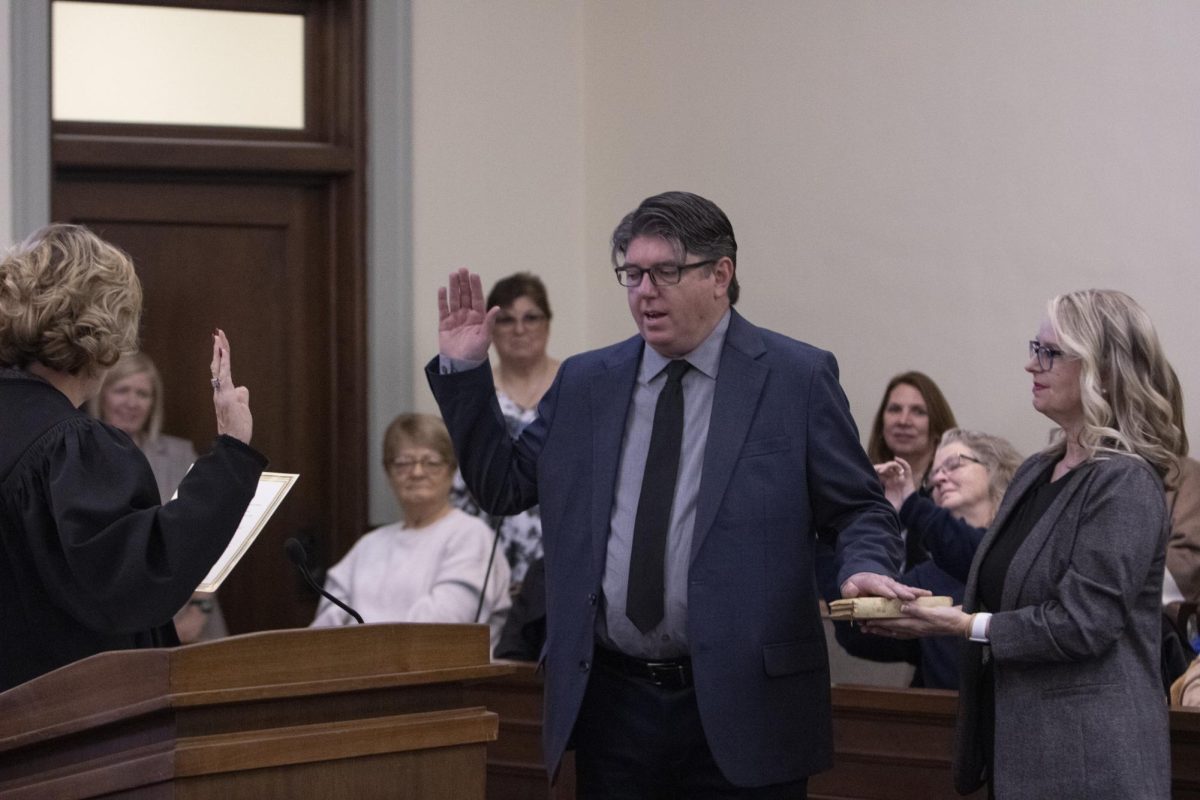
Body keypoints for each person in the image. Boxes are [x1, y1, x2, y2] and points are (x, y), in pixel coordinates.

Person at [427, 191, 916, 798]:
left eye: (665, 272)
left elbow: (859, 507)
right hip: (613, 704)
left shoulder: (796, 378)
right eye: (631, 274)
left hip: (746, 704)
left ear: (721, 275)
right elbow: (504, 485)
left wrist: (865, 566)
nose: (644, 291)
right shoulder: (586, 383)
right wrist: (466, 375)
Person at [865, 289, 1184, 798]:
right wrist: (916, 607)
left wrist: (961, 624)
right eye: (1034, 347)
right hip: (1018, 747)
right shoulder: (1038, 471)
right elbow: (1000, 583)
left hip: (1091, 760)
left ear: (1100, 369)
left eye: (1049, 353)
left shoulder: (1124, 482)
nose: (1030, 364)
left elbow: (1083, 624)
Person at [0, 223, 261, 693]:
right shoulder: (69, 446)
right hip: (63, 727)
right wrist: (232, 453)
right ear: (105, 328)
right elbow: (137, 577)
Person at [833, 429, 1021, 688]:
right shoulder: (927, 576)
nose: (940, 478)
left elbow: (981, 555)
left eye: (954, 465)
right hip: (944, 720)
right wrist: (841, 523)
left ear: (995, 468)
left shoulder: (1023, 547)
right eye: (932, 479)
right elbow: (858, 638)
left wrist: (912, 505)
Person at [310, 413, 511, 650]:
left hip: (443, 680)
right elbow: (324, 631)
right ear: (387, 472)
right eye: (403, 463)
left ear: (452, 470)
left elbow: (443, 629)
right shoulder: (368, 545)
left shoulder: (470, 535)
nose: (416, 473)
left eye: (431, 462)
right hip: (358, 675)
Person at [89, 351, 229, 643]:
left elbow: (211, 532)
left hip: (191, 617)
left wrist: (199, 610)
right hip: (117, 626)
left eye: (143, 394)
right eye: (122, 390)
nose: (132, 402)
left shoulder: (179, 455)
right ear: (102, 395)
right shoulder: (82, 455)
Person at [451, 272, 559, 588]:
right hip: (483, 545)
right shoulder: (476, 391)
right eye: (506, 320)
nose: (520, 329)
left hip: (557, 542)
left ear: (548, 324)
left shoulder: (573, 383)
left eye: (531, 318)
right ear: (491, 329)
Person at [866, 371, 957, 568]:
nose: (903, 421)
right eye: (895, 409)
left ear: (936, 425)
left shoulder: (952, 488)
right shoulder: (865, 485)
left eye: (918, 411)